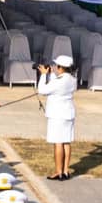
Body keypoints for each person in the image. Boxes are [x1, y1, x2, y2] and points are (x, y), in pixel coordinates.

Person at [35, 53, 78, 181]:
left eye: (56, 66)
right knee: (66, 142)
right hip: (68, 113)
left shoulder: (60, 81)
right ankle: (65, 170)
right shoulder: (72, 79)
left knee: (58, 143)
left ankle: (58, 171)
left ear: (60, 67)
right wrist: (51, 72)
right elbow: (57, 81)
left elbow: (42, 90)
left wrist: (43, 75)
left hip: (57, 115)